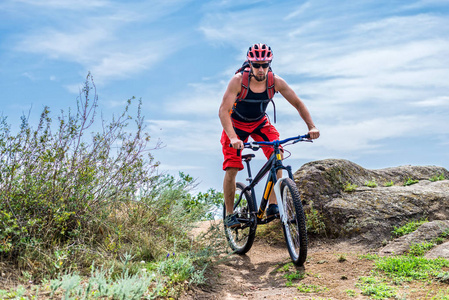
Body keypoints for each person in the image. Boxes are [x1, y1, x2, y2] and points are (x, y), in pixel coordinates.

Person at [218, 43, 320, 228]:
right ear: (250, 64)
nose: (261, 69)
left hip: (259, 123)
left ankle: (273, 204)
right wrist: (233, 137)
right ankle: (230, 214)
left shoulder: (276, 82)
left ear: (270, 64)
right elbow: (223, 111)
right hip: (236, 125)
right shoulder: (238, 81)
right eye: (256, 65)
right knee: (232, 168)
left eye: (265, 65)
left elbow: (298, 103)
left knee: (277, 154)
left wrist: (311, 126)